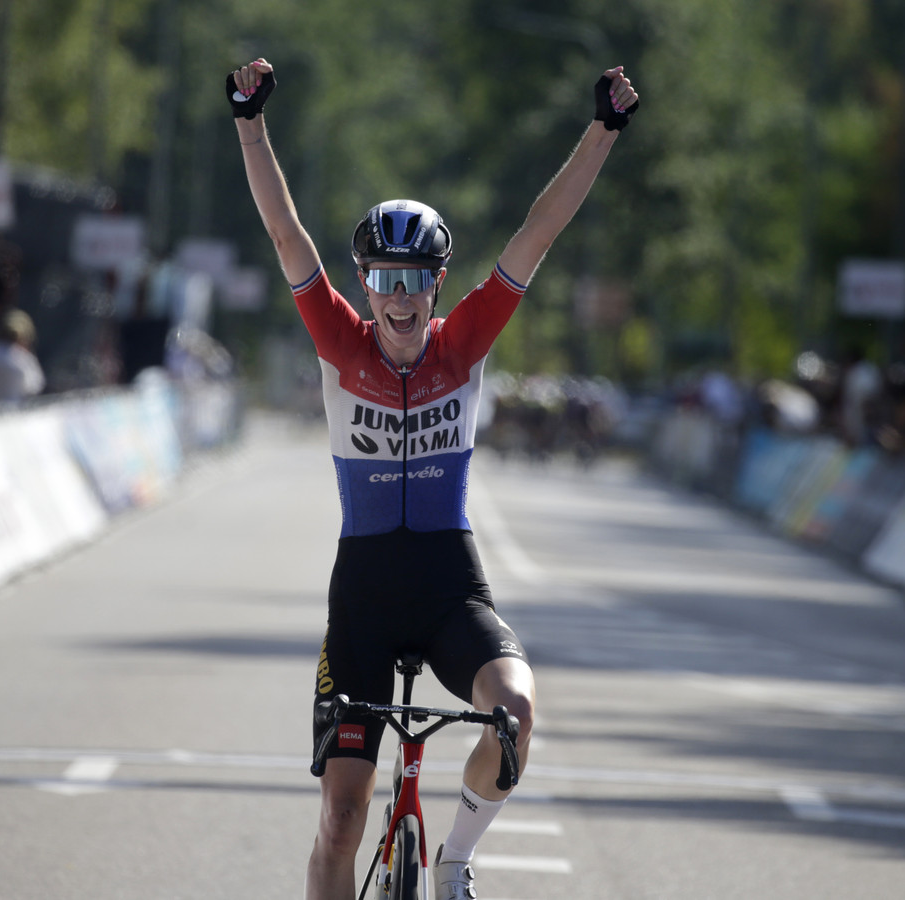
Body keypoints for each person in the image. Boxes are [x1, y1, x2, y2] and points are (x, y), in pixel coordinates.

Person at [229, 57, 638, 900]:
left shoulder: (464, 344)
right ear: (365, 285)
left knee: (515, 714)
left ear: (436, 285)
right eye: (384, 280)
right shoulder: (341, 344)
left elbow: (538, 231)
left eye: (415, 281)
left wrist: (601, 130)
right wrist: (250, 123)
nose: (400, 298)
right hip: (366, 599)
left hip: (451, 586)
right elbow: (285, 234)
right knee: (341, 820)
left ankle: (453, 859)